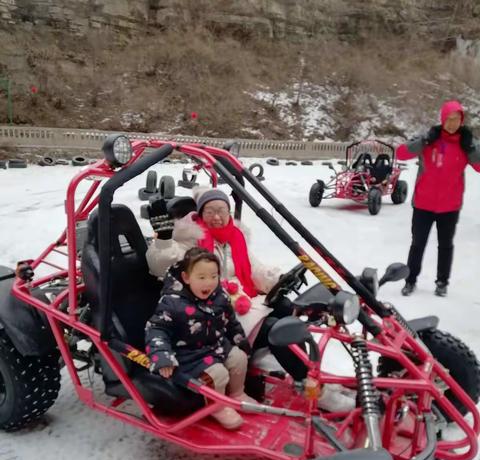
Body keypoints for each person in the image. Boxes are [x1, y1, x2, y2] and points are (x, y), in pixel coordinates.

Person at [146, 187, 355, 411]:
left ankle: (306, 371)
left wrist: (277, 279)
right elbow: (160, 264)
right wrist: (164, 240)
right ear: (200, 214)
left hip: (244, 303)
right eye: (209, 212)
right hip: (214, 315)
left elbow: (255, 270)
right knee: (278, 329)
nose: (216, 217)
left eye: (221, 210)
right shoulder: (190, 243)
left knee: (288, 310)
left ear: (228, 213)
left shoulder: (234, 238)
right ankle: (314, 388)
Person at [145, 247, 255, 430]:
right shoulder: (172, 302)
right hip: (188, 354)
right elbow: (156, 329)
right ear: (187, 278)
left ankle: (237, 394)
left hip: (216, 345)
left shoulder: (219, 296)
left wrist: (240, 342)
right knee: (218, 374)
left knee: (239, 359)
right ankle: (217, 407)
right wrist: (162, 356)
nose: (209, 283)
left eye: (214, 276)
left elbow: (231, 322)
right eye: (201, 277)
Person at [397, 100, 480, 297]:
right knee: (417, 243)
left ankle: (442, 281)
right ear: (442, 119)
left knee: (445, 245)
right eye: (449, 119)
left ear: (462, 121)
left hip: (449, 206)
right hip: (423, 204)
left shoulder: (465, 143)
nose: (453, 123)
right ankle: (410, 279)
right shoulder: (429, 139)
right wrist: (424, 140)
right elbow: (401, 153)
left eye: (457, 119)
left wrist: (471, 148)